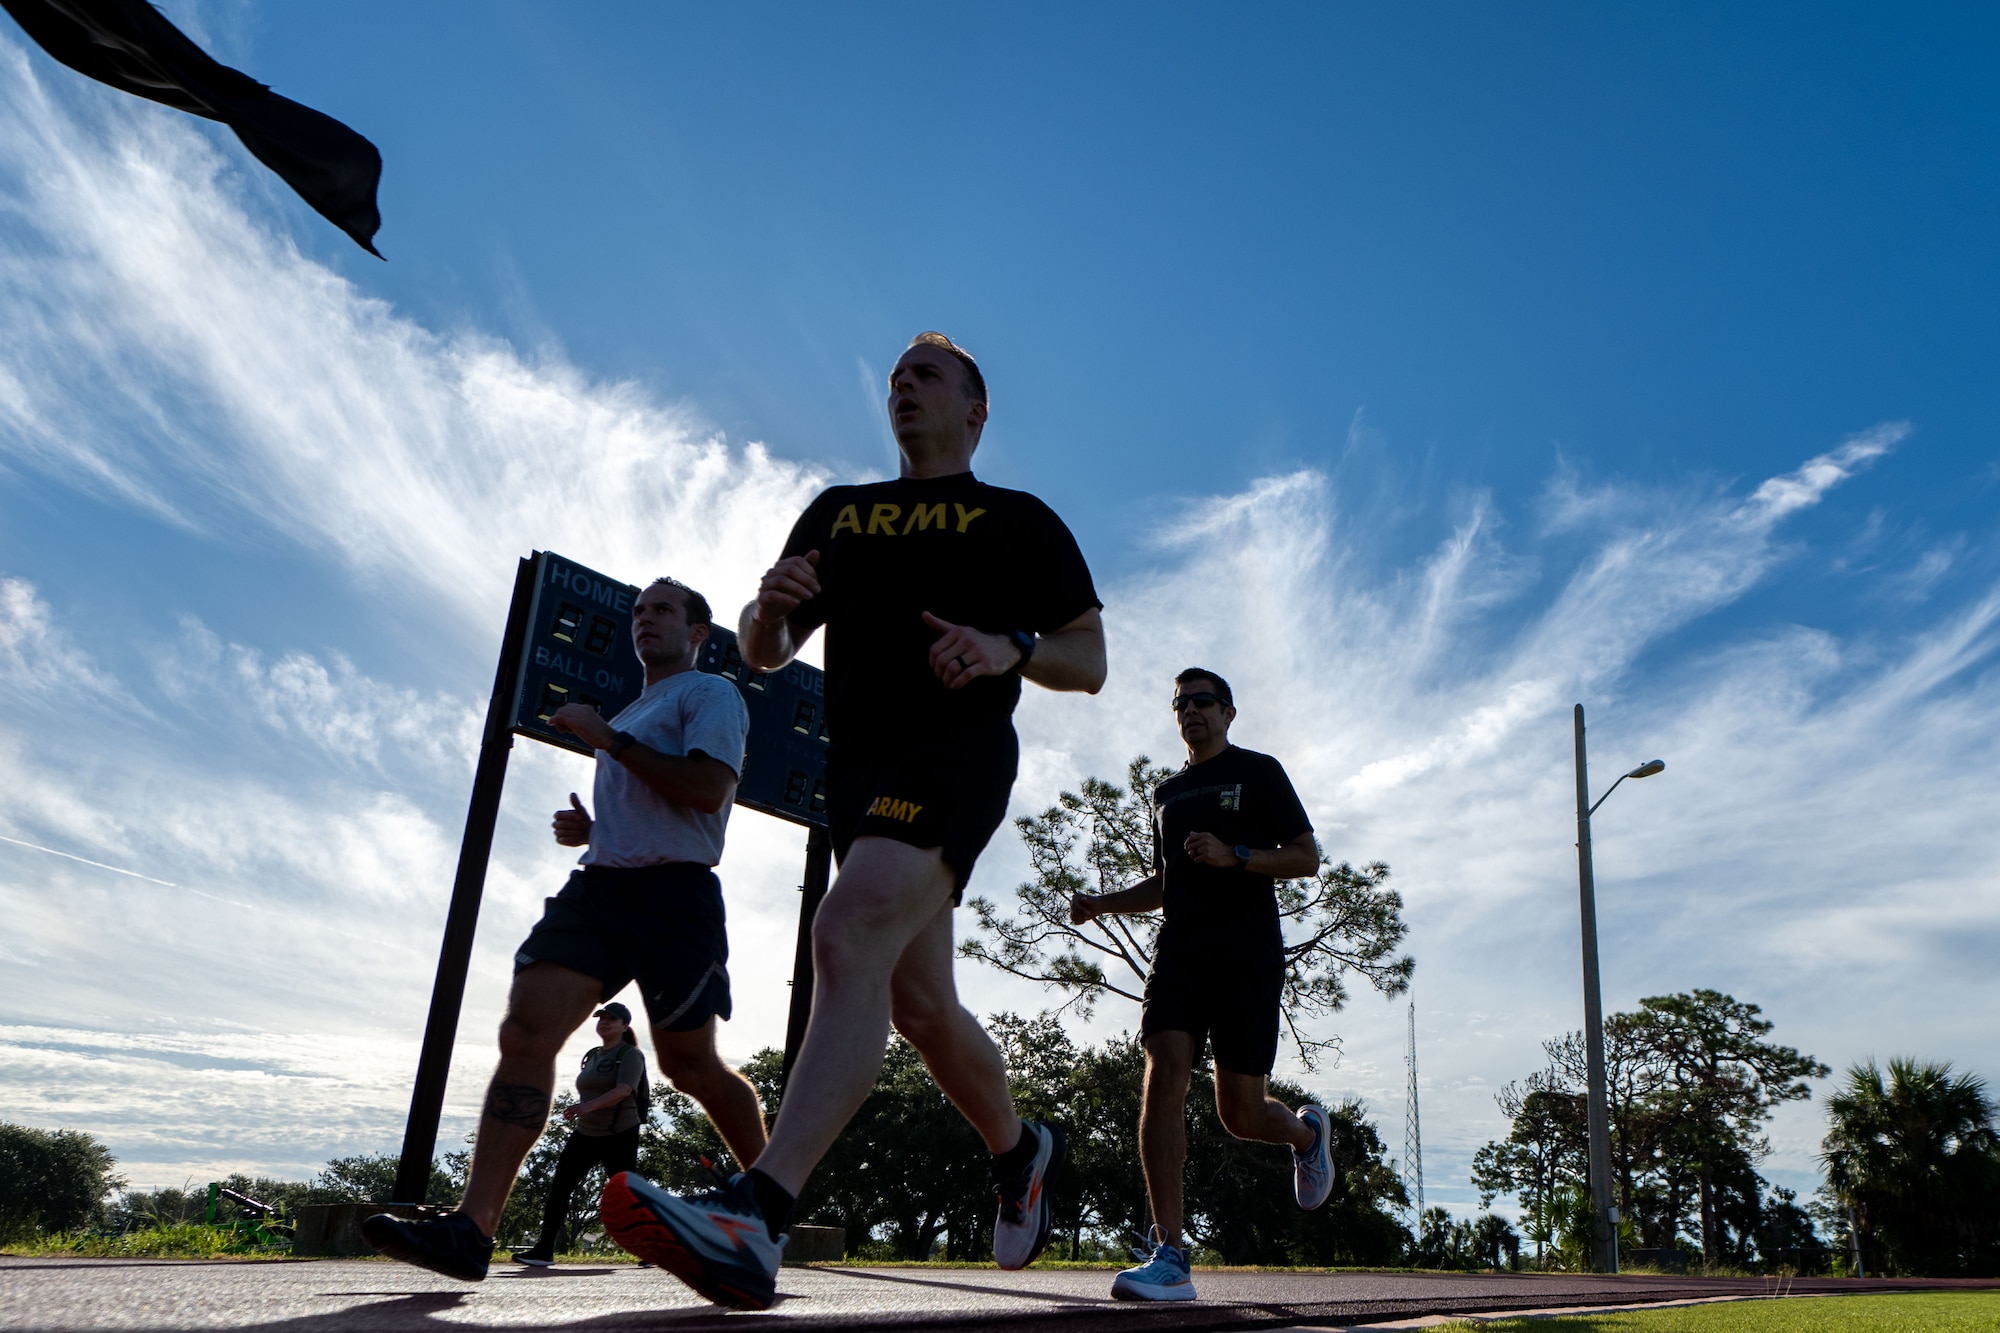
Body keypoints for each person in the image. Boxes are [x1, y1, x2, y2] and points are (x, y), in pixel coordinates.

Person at [599, 332, 1106, 1308]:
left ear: (976, 409)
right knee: (917, 1005)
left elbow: (1086, 659)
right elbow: (767, 648)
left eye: (927, 376)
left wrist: (1010, 646)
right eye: (895, 379)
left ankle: (759, 1214)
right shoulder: (840, 513)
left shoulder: (1018, 520)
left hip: (953, 754)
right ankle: (1018, 1150)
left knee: (844, 928)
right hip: (858, 771)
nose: (903, 388)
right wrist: (765, 610)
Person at [363, 577, 766, 1281]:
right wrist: (595, 827)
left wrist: (606, 738)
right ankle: (471, 1229)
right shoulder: (638, 707)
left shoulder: (709, 695)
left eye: (663, 610)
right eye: (638, 611)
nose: (646, 620)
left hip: (675, 895)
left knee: (689, 1066)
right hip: (600, 889)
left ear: (698, 631)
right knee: (525, 1031)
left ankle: (772, 1197)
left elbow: (706, 791)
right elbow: (652, 808)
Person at [1069, 668, 1336, 1302]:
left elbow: (1306, 856)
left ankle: (1306, 1135)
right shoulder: (1165, 793)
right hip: (1180, 955)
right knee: (1164, 1071)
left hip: (1246, 956)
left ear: (1228, 712)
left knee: (1239, 1114)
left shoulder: (1260, 772)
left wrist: (1236, 856)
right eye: (1180, 703)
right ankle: (1171, 1254)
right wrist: (1102, 903)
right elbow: (1166, 883)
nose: (1190, 711)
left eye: (1203, 702)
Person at [512, 1002, 648, 1266]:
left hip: (619, 1132)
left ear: (624, 1026)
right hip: (587, 1132)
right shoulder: (594, 1054)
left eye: (612, 1019)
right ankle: (544, 1249)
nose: (605, 1022)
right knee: (560, 1187)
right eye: (602, 1018)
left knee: (626, 1194)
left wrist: (587, 1106)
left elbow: (624, 1090)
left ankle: (649, 1249)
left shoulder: (630, 1054)